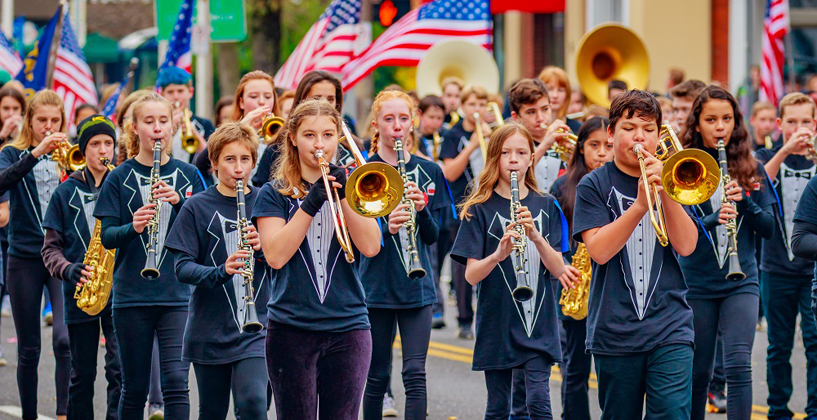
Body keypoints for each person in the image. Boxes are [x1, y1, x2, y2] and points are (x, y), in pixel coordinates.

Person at [573, 90, 698, 420]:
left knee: (673, 414)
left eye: (648, 128)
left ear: (659, 134)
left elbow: (686, 245)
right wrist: (641, 205)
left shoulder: (676, 177)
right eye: (629, 128)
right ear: (611, 133)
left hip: (671, 326)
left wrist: (667, 192)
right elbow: (599, 251)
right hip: (615, 331)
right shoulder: (592, 185)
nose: (639, 136)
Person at [252, 99, 380, 419]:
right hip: (290, 329)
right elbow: (276, 256)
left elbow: (370, 246)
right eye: (309, 135)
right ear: (293, 138)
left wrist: (344, 193)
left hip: (349, 326)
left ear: (338, 137)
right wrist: (311, 202)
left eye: (327, 135)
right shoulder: (273, 192)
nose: (319, 144)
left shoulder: (354, 187)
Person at [451, 122, 574, 420]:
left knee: (540, 405)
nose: (514, 159)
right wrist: (498, 254)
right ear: (495, 158)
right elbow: (470, 276)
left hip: (539, 321)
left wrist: (535, 237)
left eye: (521, 152)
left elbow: (559, 268)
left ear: (532, 157)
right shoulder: (478, 208)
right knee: (497, 408)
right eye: (506, 153)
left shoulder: (547, 204)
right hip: (497, 320)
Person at [94, 92, 205, 420]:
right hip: (131, 296)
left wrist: (181, 206)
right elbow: (108, 237)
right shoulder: (119, 176)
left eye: (162, 121)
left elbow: (204, 234)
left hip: (177, 294)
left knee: (175, 381)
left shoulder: (187, 175)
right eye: (149, 121)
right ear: (135, 128)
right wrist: (134, 226)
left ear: (172, 126)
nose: (157, 128)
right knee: (135, 386)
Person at [678, 85, 776, 420]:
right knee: (697, 370)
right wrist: (711, 217)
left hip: (742, 281)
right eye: (711, 119)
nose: (720, 127)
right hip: (696, 283)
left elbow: (770, 229)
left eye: (727, 119)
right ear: (697, 123)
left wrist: (745, 202)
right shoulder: (683, 167)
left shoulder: (751, 167)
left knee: (737, 365)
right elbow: (678, 230)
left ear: (736, 122)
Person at [165, 122, 270, 420]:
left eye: (245, 159)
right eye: (229, 159)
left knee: (253, 403)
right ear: (213, 163)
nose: (238, 168)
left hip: (259, 326)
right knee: (211, 411)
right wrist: (221, 270)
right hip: (209, 328)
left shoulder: (267, 201)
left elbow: (284, 261)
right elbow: (182, 268)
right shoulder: (195, 206)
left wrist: (262, 249)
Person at [359, 90, 451, 420]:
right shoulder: (363, 171)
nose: (397, 126)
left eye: (403, 119)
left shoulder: (429, 171)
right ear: (376, 125)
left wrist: (422, 210)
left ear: (412, 123)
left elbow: (433, 236)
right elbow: (356, 240)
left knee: (415, 374)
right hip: (375, 285)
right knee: (376, 376)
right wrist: (388, 228)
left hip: (417, 286)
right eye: (388, 119)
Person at [41, 114, 122, 420]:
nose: (103, 151)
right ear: (83, 149)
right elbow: (50, 248)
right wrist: (70, 269)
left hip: (119, 290)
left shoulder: (121, 185)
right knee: (82, 373)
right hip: (81, 289)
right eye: (95, 144)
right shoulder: (65, 192)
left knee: (119, 370)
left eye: (109, 143)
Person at [0, 89, 71, 420]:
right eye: (42, 120)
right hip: (25, 257)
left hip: (61, 256)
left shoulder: (70, 156)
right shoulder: (12, 153)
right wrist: (34, 153)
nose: (48, 126)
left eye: (55, 121)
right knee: (29, 349)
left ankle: (62, 412)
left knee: (64, 339)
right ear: (30, 121)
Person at [756, 92, 817, 420]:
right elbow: (756, 182)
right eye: (791, 122)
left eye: (805, 121)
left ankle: (815, 410)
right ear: (779, 125)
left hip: (813, 269)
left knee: (815, 342)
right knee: (778, 346)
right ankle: (777, 410)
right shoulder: (768, 154)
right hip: (776, 266)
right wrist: (784, 150)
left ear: (815, 123)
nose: (798, 128)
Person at [550, 116, 612, 420]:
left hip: (611, 285)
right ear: (581, 147)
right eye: (594, 145)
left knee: (612, 370)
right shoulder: (562, 186)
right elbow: (548, 235)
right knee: (574, 368)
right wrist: (561, 265)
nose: (601, 153)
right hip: (574, 282)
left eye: (608, 146)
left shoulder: (621, 183)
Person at [440, 84, 491, 339]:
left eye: (482, 105)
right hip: (462, 208)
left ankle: (487, 316)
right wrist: (471, 146)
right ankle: (464, 319)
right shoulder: (453, 134)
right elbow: (449, 173)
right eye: (472, 105)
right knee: (462, 267)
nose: (477, 110)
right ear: (463, 106)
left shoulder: (493, 132)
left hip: (490, 206)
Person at [252, 70, 358, 188]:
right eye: (316, 98)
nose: (324, 103)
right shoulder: (274, 150)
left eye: (330, 99)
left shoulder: (352, 145)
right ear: (301, 100)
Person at [508, 78, 572, 193]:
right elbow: (513, 178)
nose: (540, 118)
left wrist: (575, 157)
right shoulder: (509, 143)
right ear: (516, 116)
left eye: (545, 109)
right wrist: (545, 145)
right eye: (531, 112)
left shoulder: (564, 138)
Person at [0, 84, 24, 366]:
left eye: (16, 110)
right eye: (6, 109)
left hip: (17, 227)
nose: (11, 114)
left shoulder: (28, 141)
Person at [157, 66, 215, 163]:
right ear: (162, 95)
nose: (176, 97)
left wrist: (196, 136)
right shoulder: (157, 126)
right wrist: (170, 130)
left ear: (190, 92)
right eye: (170, 92)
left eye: (180, 91)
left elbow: (213, 164)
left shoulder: (205, 125)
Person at [538, 66, 581, 132]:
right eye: (550, 89)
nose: (555, 95)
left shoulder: (578, 128)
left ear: (567, 94)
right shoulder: (534, 129)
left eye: (560, 90)